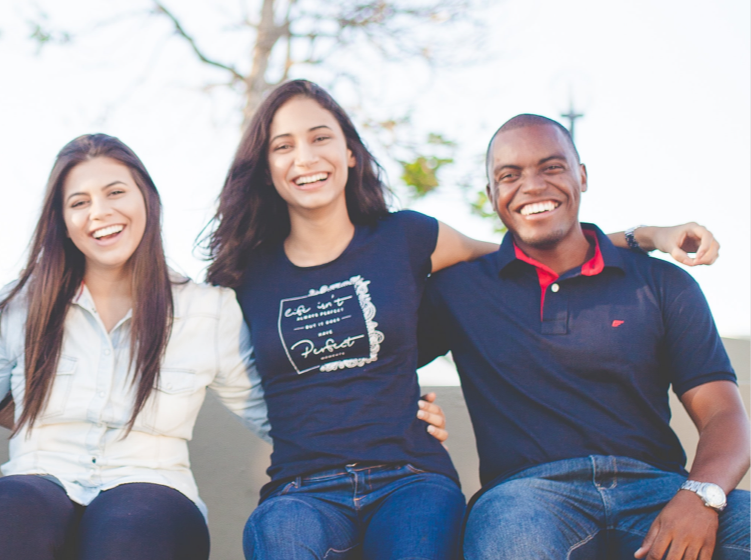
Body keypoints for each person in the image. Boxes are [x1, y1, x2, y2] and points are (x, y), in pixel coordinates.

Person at [202, 80, 718, 560]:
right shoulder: (245, 273)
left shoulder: (407, 237)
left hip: (410, 476)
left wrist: (646, 235)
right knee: (275, 535)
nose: (306, 157)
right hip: (301, 485)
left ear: (350, 152)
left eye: (320, 137)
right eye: (283, 145)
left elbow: (522, 250)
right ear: (266, 165)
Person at [0, 133, 453, 560]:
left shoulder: (207, 310)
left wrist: (389, 417)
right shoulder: (18, 307)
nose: (99, 212)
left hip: (153, 485)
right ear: (62, 221)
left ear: (146, 199)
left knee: (129, 529)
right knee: (8, 509)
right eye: (78, 202)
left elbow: (283, 413)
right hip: (39, 474)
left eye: (115, 192)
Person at [419, 114, 748, 560]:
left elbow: (723, 415)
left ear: (582, 176)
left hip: (657, 490)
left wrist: (700, 496)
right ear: (492, 195)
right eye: (509, 175)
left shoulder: (661, 282)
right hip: (528, 497)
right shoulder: (459, 290)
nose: (532, 185)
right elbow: (368, 359)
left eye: (551, 167)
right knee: (511, 538)